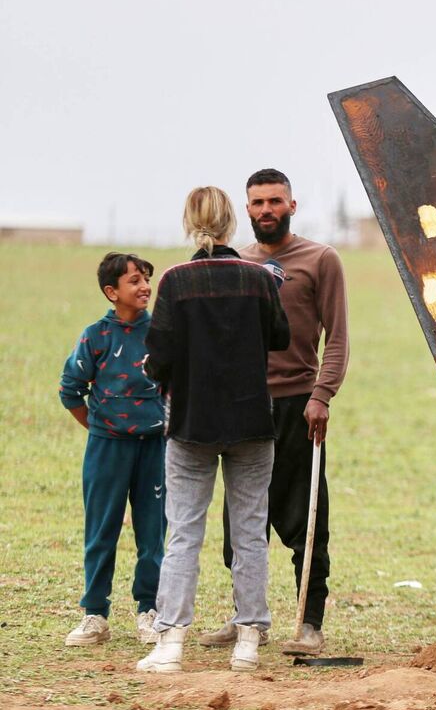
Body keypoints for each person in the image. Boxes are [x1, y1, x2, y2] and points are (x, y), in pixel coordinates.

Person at [136, 186, 289, 673]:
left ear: (190, 223)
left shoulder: (177, 282)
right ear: (231, 222)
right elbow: (281, 337)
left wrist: (157, 371)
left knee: (183, 532)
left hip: (191, 422)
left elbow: (158, 355)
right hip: (251, 420)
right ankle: (248, 639)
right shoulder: (259, 278)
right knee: (249, 534)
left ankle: (171, 642)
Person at [198, 168, 349, 656]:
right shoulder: (236, 263)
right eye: (258, 203)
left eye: (275, 201)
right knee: (241, 517)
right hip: (243, 407)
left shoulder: (321, 260)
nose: (266, 210)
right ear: (246, 210)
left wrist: (321, 395)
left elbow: (338, 337)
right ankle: (247, 620)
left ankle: (309, 623)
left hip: (298, 406)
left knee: (305, 515)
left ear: (292, 205)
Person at [59, 253, 167, 647]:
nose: (144, 287)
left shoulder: (161, 332)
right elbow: (70, 389)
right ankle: (94, 615)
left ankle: (150, 610)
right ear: (111, 292)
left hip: (154, 449)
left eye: (146, 279)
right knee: (101, 531)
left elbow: (174, 384)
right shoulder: (96, 337)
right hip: (107, 450)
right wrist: (100, 426)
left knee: (153, 532)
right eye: (134, 281)